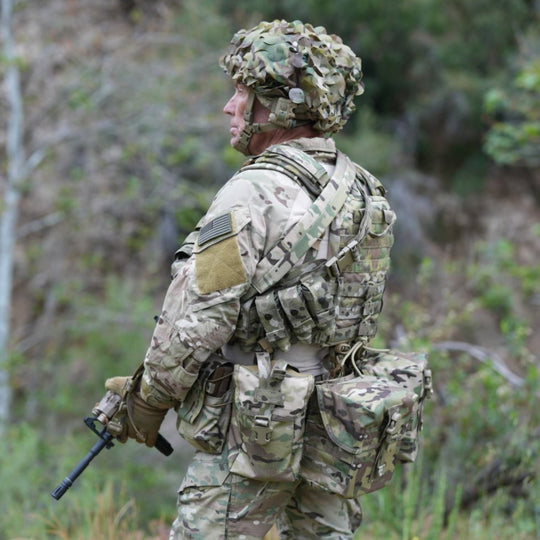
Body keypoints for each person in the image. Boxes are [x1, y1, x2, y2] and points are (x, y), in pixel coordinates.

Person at [103, 19, 397, 539]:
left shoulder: (250, 194)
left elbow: (199, 317)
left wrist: (145, 402)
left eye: (243, 93)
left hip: (255, 435)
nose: (230, 107)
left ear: (280, 105)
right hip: (337, 427)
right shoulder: (361, 188)